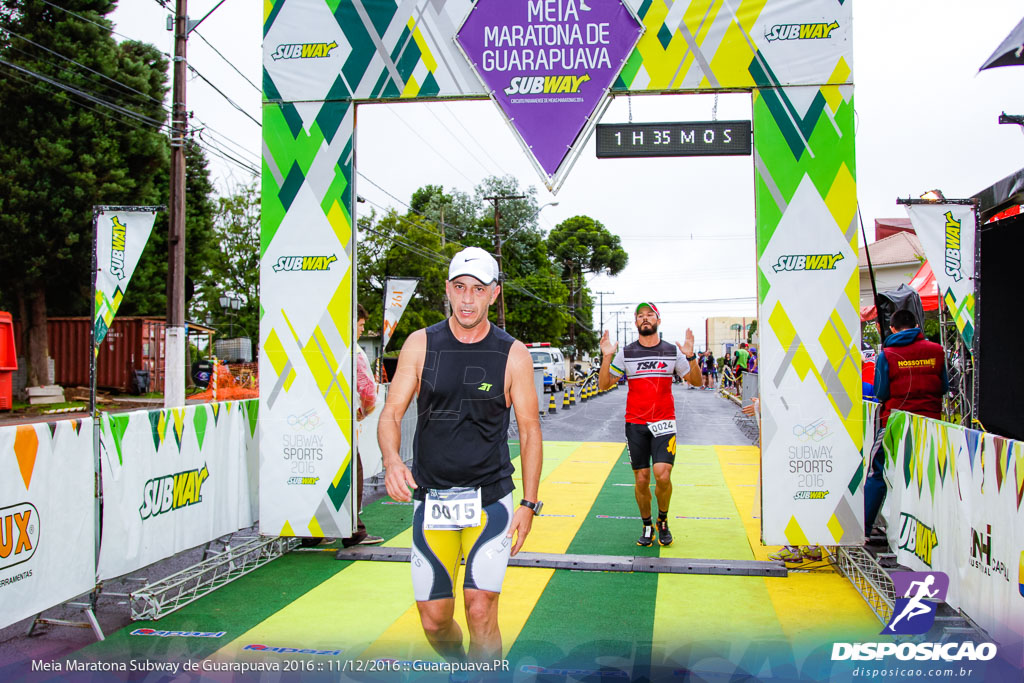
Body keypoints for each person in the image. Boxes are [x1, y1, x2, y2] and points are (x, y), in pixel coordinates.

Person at [377, 246, 543, 667]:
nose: (467, 298)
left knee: (481, 610)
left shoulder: (513, 353)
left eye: (478, 289)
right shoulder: (421, 343)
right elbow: (391, 413)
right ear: (448, 290)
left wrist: (528, 503)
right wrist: (392, 460)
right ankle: (460, 669)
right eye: (459, 288)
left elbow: (529, 430)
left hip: (491, 500)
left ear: (494, 295)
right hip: (432, 500)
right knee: (434, 621)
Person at [597, 302, 701, 547]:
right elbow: (604, 384)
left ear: (658, 320)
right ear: (636, 323)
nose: (645, 319)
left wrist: (691, 356)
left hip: (665, 422)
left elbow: (695, 381)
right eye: (640, 316)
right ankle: (646, 524)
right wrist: (606, 356)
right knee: (642, 478)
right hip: (635, 423)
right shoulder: (626, 353)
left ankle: (662, 520)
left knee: (662, 476)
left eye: (649, 315)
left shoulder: (671, 351)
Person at [864, 309, 947, 537]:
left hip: (896, 421)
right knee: (928, 478)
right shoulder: (937, 350)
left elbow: (881, 392)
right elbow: (944, 388)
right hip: (930, 424)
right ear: (916, 325)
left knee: (877, 473)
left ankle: (864, 529)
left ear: (892, 328)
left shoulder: (887, 354)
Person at [341, 304, 385, 548]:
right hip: (344, 423)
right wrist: (363, 411)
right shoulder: (354, 352)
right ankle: (353, 530)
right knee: (352, 475)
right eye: (359, 326)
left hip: (316, 422)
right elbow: (367, 390)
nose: (361, 330)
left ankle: (314, 530)